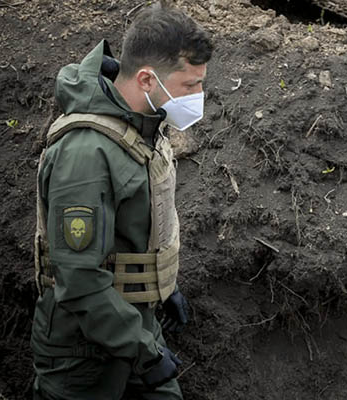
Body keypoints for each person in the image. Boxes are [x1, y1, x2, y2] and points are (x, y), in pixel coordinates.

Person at [30, 3, 213, 399]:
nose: (199, 97)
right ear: (147, 79)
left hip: (134, 328)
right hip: (82, 355)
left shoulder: (142, 125)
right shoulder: (85, 154)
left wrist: (162, 287)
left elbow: (135, 228)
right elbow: (79, 279)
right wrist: (145, 354)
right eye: (189, 86)